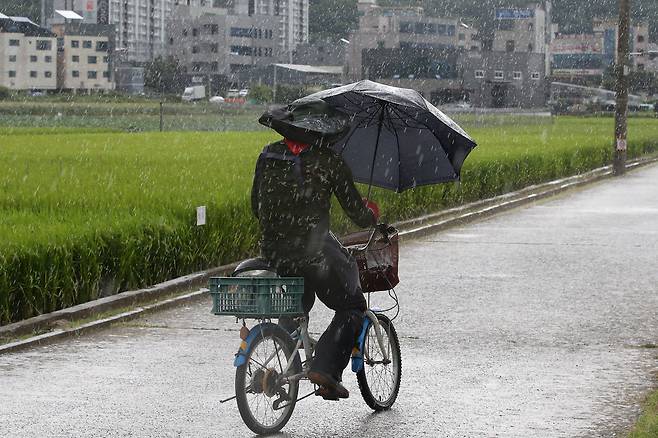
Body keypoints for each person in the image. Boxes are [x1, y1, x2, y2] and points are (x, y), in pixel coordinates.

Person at [252, 100, 379, 400]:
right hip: (314, 252)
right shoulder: (328, 160)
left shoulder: (268, 154)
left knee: (296, 304)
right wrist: (372, 217)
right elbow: (355, 211)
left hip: (274, 252)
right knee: (352, 306)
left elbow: (256, 206)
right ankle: (325, 368)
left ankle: (288, 364)